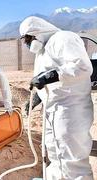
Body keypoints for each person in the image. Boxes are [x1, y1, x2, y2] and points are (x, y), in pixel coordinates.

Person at [20, 16, 94, 179]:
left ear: (37, 32)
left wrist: (51, 75)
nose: (26, 44)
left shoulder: (63, 38)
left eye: (27, 38)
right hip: (52, 109)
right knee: (54, 154)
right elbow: (45, 80)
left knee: (72, 158)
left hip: (70, 108)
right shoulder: (42, 52)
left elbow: (82, 67)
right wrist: (37, 98)